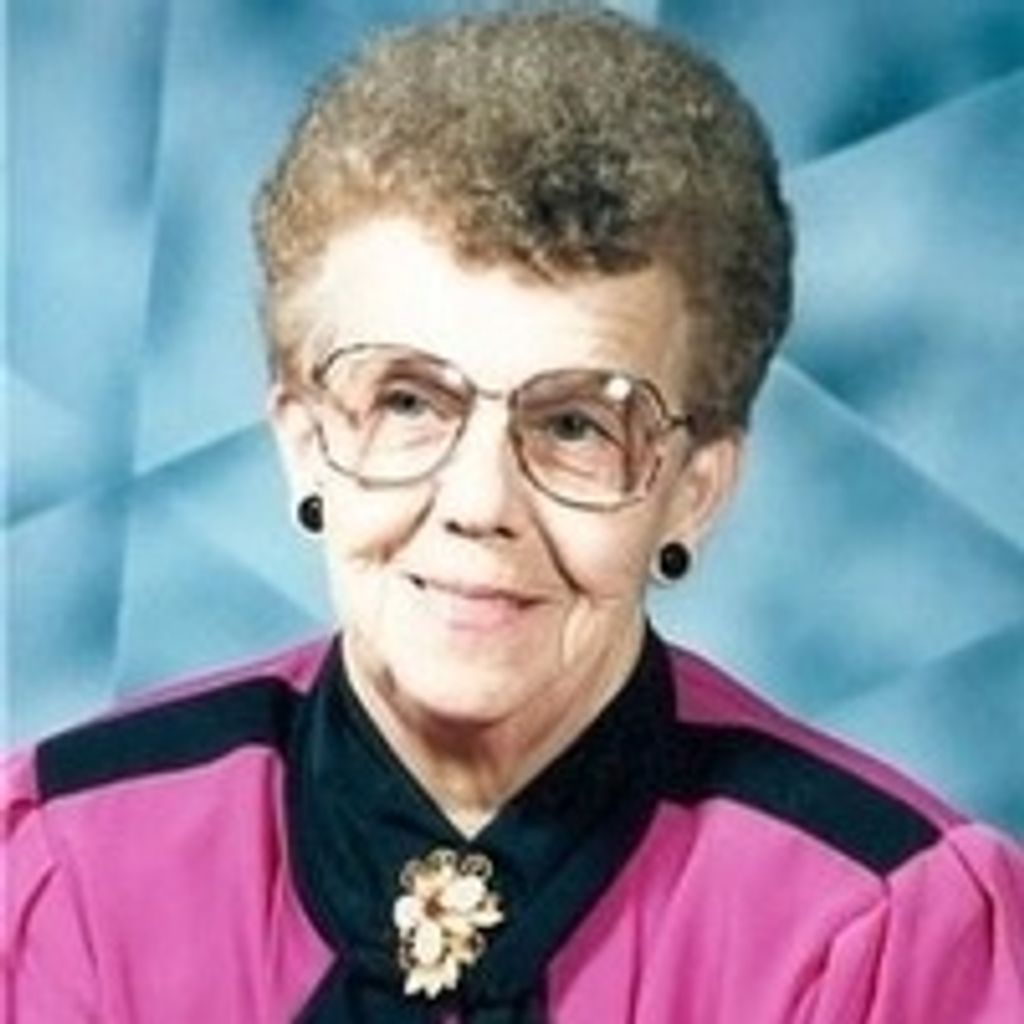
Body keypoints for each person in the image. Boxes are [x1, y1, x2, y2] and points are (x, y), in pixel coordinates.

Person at [3, 7, 1022, 1022]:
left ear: (694, 488)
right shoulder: (72, 864)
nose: (479, 504)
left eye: (576, 424)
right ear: (306, 439)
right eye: (409, 401)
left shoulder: (878, 933)